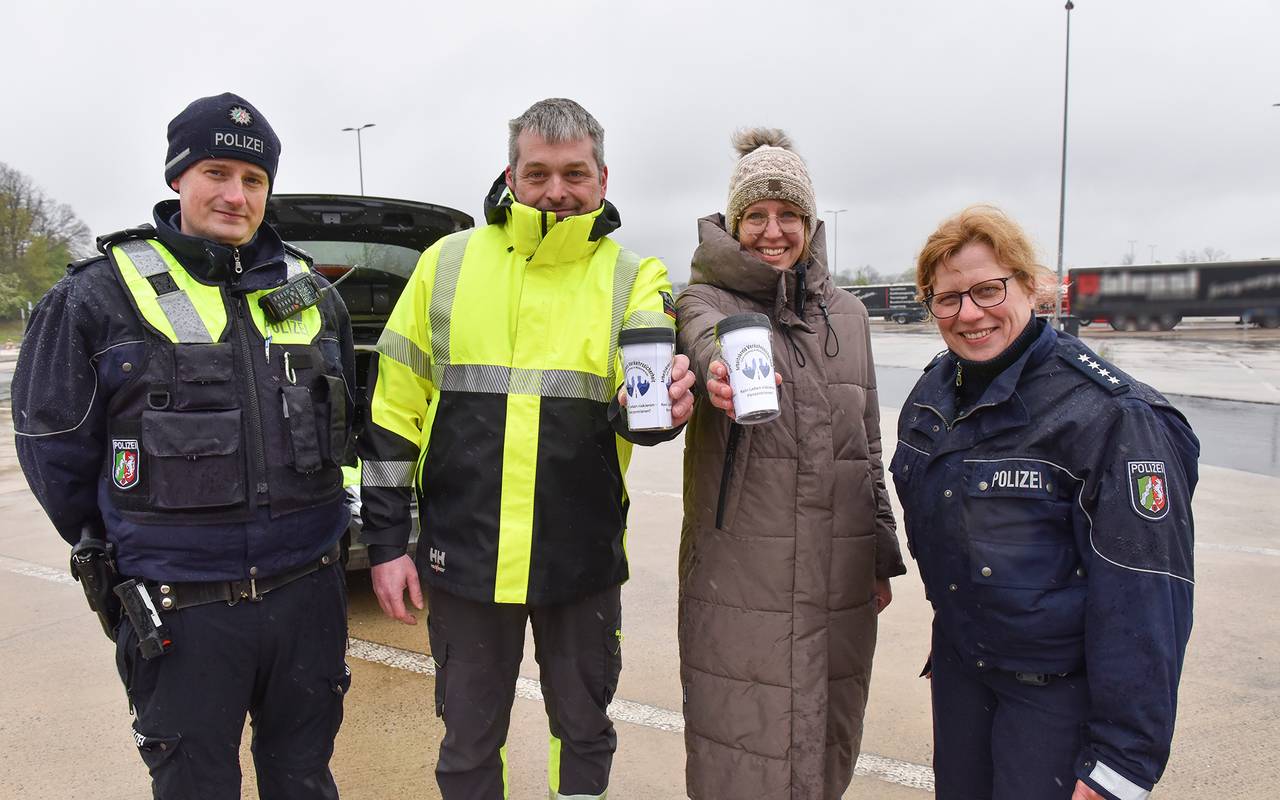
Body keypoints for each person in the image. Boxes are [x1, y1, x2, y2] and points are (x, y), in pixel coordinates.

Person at [13, 92, 356, 800]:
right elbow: (57, 455)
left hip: (309, 602)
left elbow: (345, 419)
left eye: (254, 180)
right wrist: (123, 550)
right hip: (181, 612)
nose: (236, 195)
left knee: (305, 780)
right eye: (218, 173)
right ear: (179, 178)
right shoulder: (98, 297)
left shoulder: (314, 294)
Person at [358, 97, 696, 800]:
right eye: (538, 172)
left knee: (584, 732)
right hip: (466, 557)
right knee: (469, 743)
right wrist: (388, 542)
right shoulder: (444, 265)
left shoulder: (637, 277)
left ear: (603, 177)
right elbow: (393, 412)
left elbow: (647, 407)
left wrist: (662, 413)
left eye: (574, 173)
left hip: (581, 561)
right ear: (510, 174)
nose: (556, 191)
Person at [891, 206, 1198, 800]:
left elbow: (1144, 598)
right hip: (964, 680)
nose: (969, 313)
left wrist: (1120, 766)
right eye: (947, 298)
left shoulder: (1111, 416)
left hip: (1055, 703)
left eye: (987, 289)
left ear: (1031, 286)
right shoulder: (935, 391)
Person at [674, 128, 906, 799]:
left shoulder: (850, 317)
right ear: (734, 221)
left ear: (809, 222)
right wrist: (718, 373)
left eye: (788, 216)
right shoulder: (705, 301)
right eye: (756, 216)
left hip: (839, 575)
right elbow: (704, 340)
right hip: (742, 578)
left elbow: (866, 447)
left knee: (825, 748)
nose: (772, 232)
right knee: (740, 750)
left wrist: (880, 557)